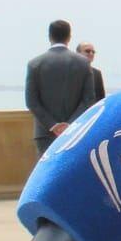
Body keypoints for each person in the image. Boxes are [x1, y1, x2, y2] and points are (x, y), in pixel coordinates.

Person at [25, 20, 95, 156]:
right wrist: (70, 125)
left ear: (49, 37)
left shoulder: (35, 64)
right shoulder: (83, 63)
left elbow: (31, 102)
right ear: (69, 37)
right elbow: (88, 100)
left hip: (44, 133)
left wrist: (52, 125)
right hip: (76, 133)